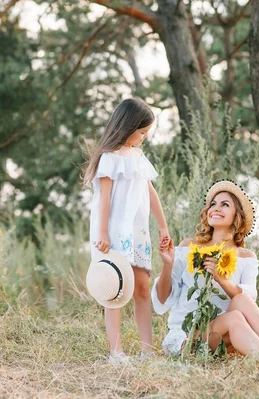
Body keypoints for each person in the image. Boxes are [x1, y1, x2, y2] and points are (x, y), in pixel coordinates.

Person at [152, 180, 259, 376]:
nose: (215, 208)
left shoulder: (246, 257)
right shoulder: (188, 247)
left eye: (224, 204)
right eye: (213, 204)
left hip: (223, 338)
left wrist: (221, 278)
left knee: (241, 299)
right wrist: (168, 264)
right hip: (188, 338)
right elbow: (162, 298)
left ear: (237, 216)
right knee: (234, 317)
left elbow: (249, 300)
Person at [83, 97, 171, 363]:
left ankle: (147, 350)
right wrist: (102, 234)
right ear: (128, 127)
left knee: (142, 288)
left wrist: (163, 225)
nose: (144, 137)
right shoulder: (109, 159)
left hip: (137, 231)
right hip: (112, 231)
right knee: (116, 290)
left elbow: (150, 192)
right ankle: (116, 352)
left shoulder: (138, 157)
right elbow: (105, 199)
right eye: (142, 132)